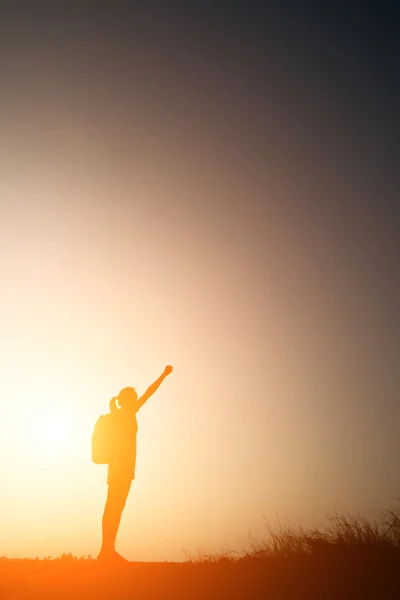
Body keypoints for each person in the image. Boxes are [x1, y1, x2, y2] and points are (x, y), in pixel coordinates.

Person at [97, 365, 173, 563]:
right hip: (122, 469)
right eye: (131, 397)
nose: (135, 400)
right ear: (127, 401)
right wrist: (163, 375)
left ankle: (107, 550)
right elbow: (149, 392)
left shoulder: (116, 414)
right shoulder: (128, 413)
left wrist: (113, 402)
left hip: (117, 468)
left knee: (113, 507)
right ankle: (107, 551)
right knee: (115, 507)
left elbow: (142, 395)